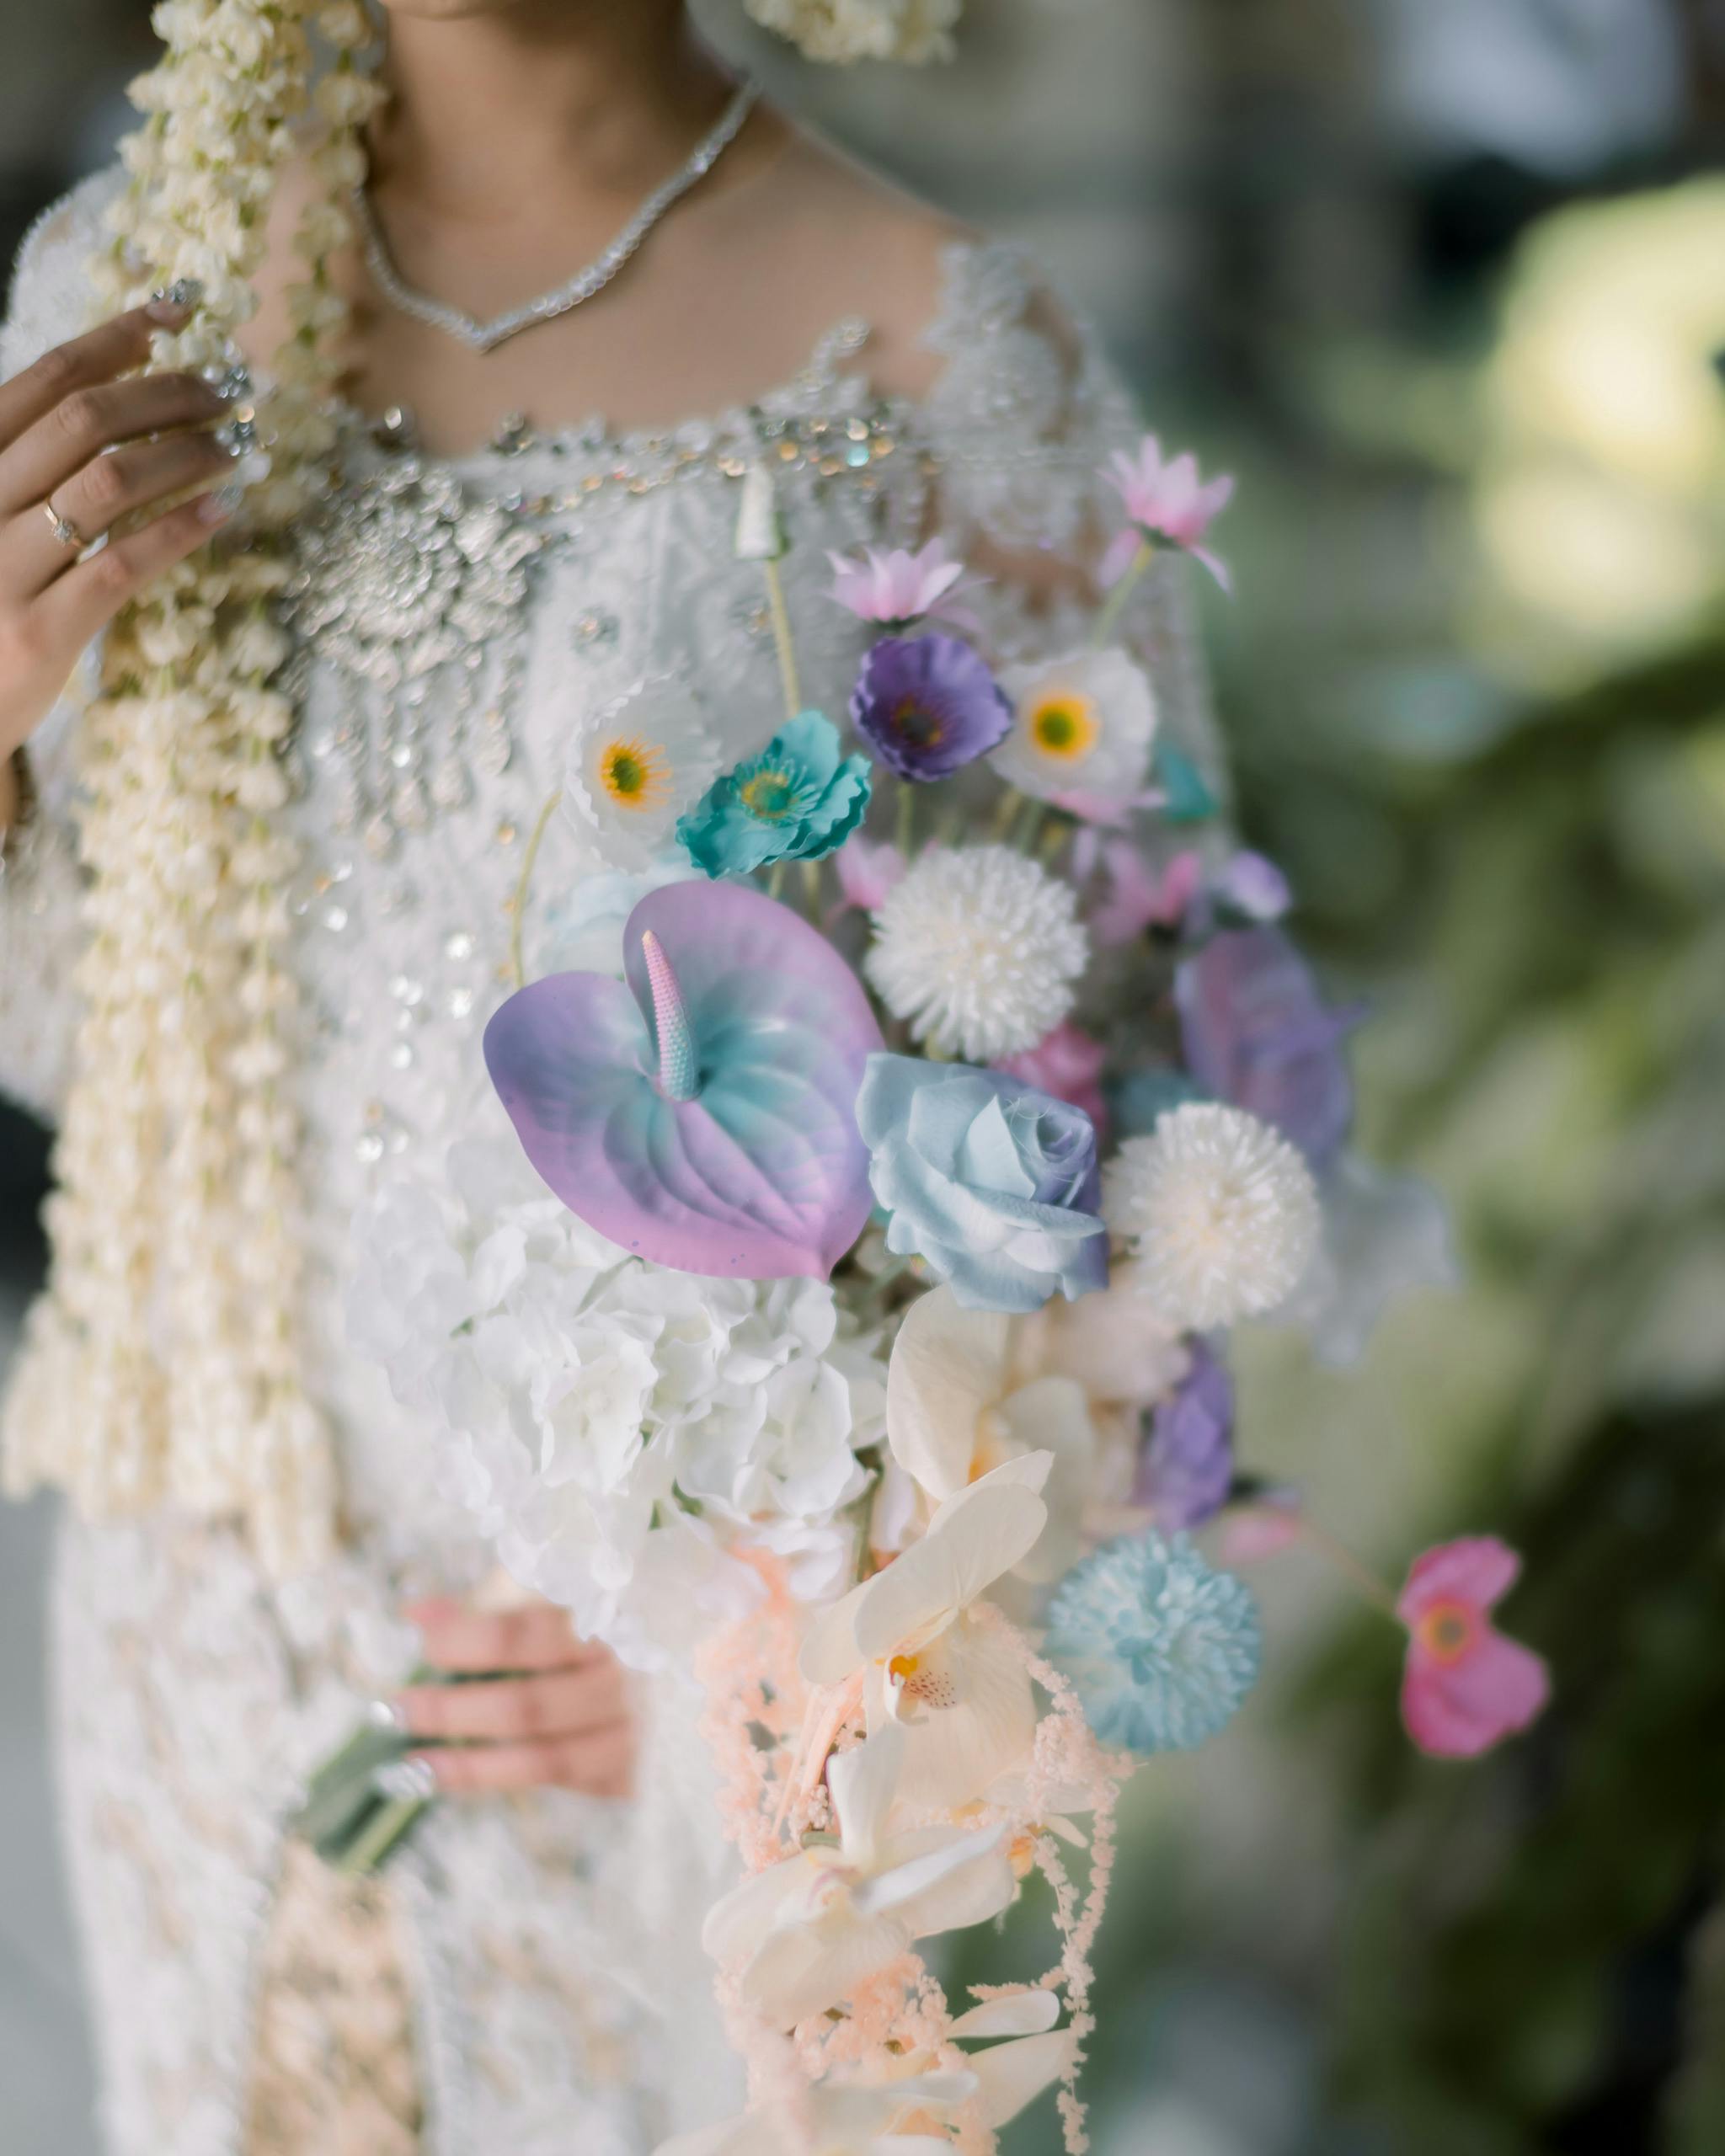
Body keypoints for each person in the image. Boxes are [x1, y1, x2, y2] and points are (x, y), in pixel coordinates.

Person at [0, 3, 1217, 2149]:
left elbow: (1119, 1160)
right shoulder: (128, 293)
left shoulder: (949, 351)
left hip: (674, 1758)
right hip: (195, 1645)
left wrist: (766, 1653)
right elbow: (69, 1049)